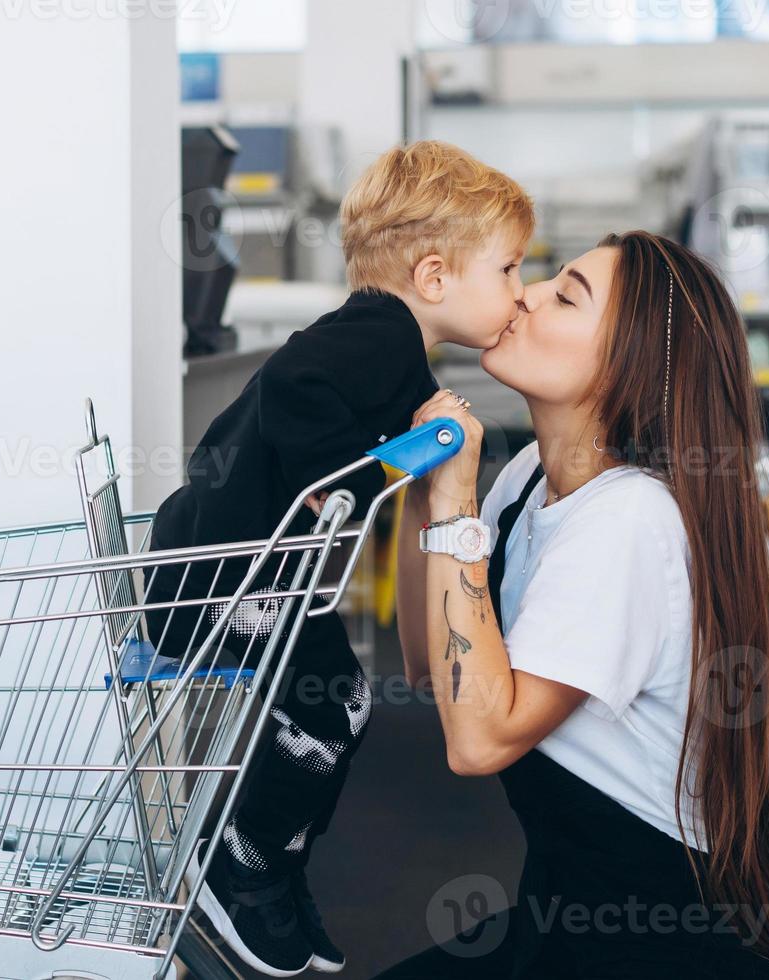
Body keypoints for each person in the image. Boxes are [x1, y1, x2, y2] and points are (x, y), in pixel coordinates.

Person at [388, 231, 769, 978]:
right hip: (572, 902)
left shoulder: (628, 519)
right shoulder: (526, 477)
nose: (526, 293)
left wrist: (455, 499)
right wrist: (420, 485)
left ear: (629, 364)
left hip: (674, 934)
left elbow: (479, 743)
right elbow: (433, 672)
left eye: (566, 293)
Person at [146, 140, 534, 976]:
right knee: (336, 707)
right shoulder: (379, 334)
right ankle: (243, 862)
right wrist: (345, 474)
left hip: (235, 567)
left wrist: (395, 455)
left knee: (344, 703)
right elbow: (294, 390)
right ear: (434, 277)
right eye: (507, 269)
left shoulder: (389, 340)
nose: (520, 290)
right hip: (219, 576)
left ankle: (271, 864)